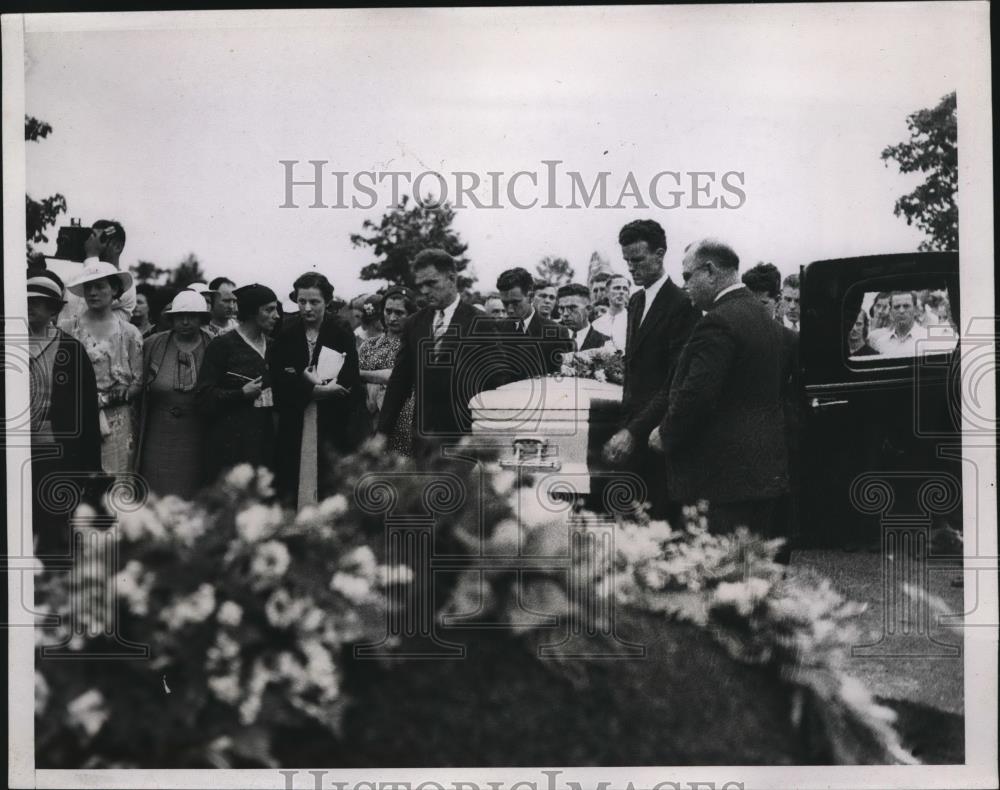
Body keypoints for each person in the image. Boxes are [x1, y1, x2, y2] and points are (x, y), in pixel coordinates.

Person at [649, 240, 789, 538]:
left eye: (688, 276)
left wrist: (666, 433)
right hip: (762, 471)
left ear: (710, 271)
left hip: (720, 477)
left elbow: (696, 395)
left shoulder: (718, 322)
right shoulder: (762, 317)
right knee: (751, 573)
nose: (685, 286)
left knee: (716, 571)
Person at [602, 220, 700, 521]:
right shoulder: (636, 300)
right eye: (627, 261)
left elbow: (674, 382)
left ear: (660, 254)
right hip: (633, 429)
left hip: (660, 435)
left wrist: (633, 431)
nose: (631, 268)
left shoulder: (683, 303)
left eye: (638, 260)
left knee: (659, 525)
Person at [378, 249, 504, 452]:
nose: (425, 291)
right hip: (423, 439)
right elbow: (399, 381)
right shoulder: (414, 323)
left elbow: (496, 382)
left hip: (466, 438)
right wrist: (382, 434)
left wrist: (485, 434)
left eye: (431, 283)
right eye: (420, 286)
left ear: (452, 278)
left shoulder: (481, 323)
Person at [26, 269, 102, 563]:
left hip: (57, 453)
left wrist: (89, 467)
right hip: (15, 454)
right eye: (26, 301)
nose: (31, 307)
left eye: (40, 302)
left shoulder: (71, 349)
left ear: (54, 309)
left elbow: (86, 413)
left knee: (53, 530)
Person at [272, 273, 361, 508]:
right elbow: (279, 378)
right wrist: (311, 391)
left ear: (327, 302)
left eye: (314, 302)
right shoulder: (287, 333)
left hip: (331, 419)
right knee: (292, 477)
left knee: (328, 478)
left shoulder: (341, 331)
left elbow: (350, 374)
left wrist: (330, 389)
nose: (307, 308)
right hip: (295, 418)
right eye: (302, 302)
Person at [60, 260, 144, 475]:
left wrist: (108, 399)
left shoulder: (130, 333)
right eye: (88, 287)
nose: (93, 293)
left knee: (115, 480)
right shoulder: (68, 328)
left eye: (100, 286)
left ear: (115, 289)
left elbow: (138, 382)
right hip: (77, 416)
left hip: (116, 418)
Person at [196, 283, 279, 485]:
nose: (276, 315)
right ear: (251, 312)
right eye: (269, 310)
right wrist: (240, 394)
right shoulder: (222, 346)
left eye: (276, 309)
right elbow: (203, 396)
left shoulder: (274, 346)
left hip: (265, 441)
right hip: (230, 442)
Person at [136, 290, 215, 500]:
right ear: (171, 318)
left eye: (192, 315)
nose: (186, 321)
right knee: (155, 493)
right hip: (158, 434)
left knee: (192, 494)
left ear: (202, 318)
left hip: (197, 435)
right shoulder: (153, 344)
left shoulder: (214, 346)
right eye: (180, 316)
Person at [359, 287, 419, 454]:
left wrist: (361, 375)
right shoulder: (368, 346)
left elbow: (395, 377)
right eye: (388, 311)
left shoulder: (416, 346)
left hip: (404, 423)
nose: (392, 318)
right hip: (370, 422)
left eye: (399, 313)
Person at [496, 266, 573, 381]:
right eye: (505, 303)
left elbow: (563, 379)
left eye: (516, 303)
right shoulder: (496, 329)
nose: (510, 309)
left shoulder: (557, 332)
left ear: (531, 296)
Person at [61, 220, 137, 322]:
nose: (91, 244)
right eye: (91, 239)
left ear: (117, 247)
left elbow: (89, 309)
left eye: (100, 240)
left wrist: (92, 256)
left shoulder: (126, 283)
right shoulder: (78, 276)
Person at [868, 290, 931, 356]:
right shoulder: (881, 343)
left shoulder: (927, 339)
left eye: (906, 306)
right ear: (890, 312)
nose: (901, 311)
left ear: (915, 310)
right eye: (897, 307)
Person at [557, 283, 610, 351]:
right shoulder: (550, 338)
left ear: (588, 309)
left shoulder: (605, 342)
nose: (565, 314)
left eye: (572, 308)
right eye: (562, 308)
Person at [592, 274, 629, 351]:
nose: (622, 291)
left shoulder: (634, 319)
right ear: (606, 292)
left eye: (625, 289)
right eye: (617, 288)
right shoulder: (596, 324)